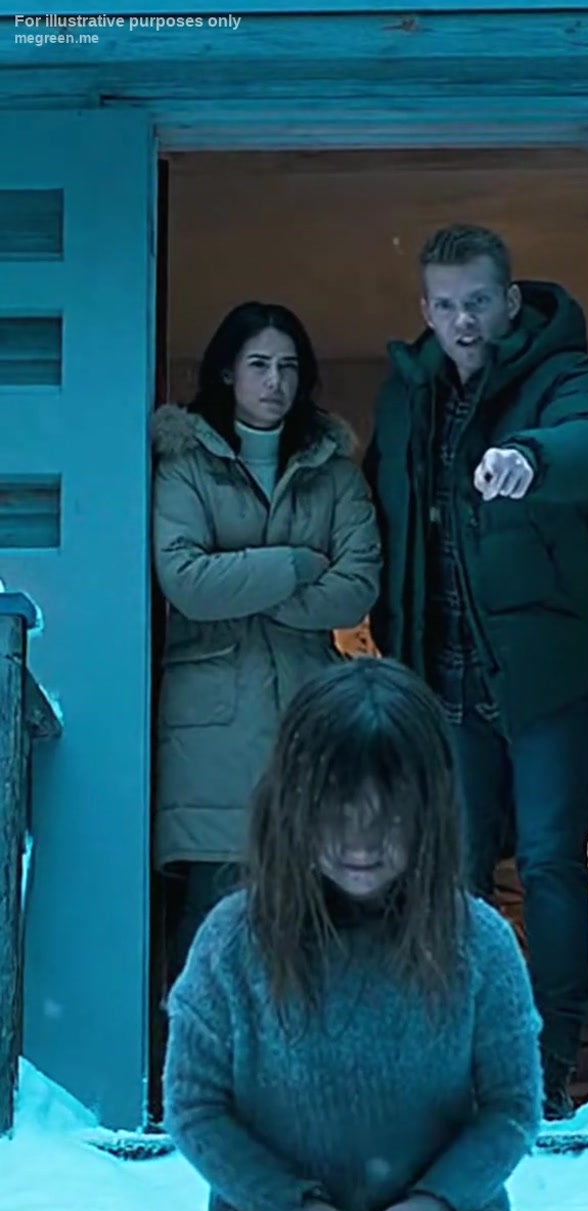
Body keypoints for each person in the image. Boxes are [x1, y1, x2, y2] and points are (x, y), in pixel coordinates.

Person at [162, 657, 542, 1211]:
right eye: (337, 812)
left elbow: (510, 1106)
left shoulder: (479, 941)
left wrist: (437, 1200)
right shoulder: (232, 940)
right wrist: (289, 1206)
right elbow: (195, 1106)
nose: (360, 842)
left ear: (429, 813)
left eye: (387, 815)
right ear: (292, 807)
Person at [365, 224, 588, 1120]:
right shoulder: (408, 396)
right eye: (444, 305)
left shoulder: (564, 376)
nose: (462, 321)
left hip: (547, 671)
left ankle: (552, 1072)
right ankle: (462, 1065)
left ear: (511, 301)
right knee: (451, 874)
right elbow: (379, 508)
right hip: (439, 677)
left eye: (477, 301)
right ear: (425, 308)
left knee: (553, 864)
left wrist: (531, 458)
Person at [151, 301, 381, 981]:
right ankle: (197, 1050)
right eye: (259, 365)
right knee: (213, 926)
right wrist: (296, 563)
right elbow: (187, 582)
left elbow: (357, 587)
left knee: (311, 923)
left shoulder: (333, 469)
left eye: (288, 366)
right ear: (228, 372)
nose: (275, 381)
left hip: (307, 711)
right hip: (209, 729)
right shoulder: (185, 464)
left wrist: (243, 581)